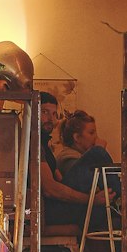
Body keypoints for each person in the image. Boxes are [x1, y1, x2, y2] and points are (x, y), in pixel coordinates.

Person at [38, 91, 92, 230]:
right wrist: (91, 200)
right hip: (45, 211)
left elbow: (59, 180)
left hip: (55, 205)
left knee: (107, 213)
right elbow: (49, 189)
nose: (51, 118)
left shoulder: (45, 145)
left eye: (54, 114)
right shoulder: (34, 144)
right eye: (45, 112)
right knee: (97, 153)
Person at [54, 110, 121, 199]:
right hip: (73, 206)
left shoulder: (82, 156)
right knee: (98, 152)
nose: (96, 137)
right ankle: (121, 196)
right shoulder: (67, 156)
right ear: (77, 137)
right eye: (91, 133)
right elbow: (85, 184)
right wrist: (99, 149)